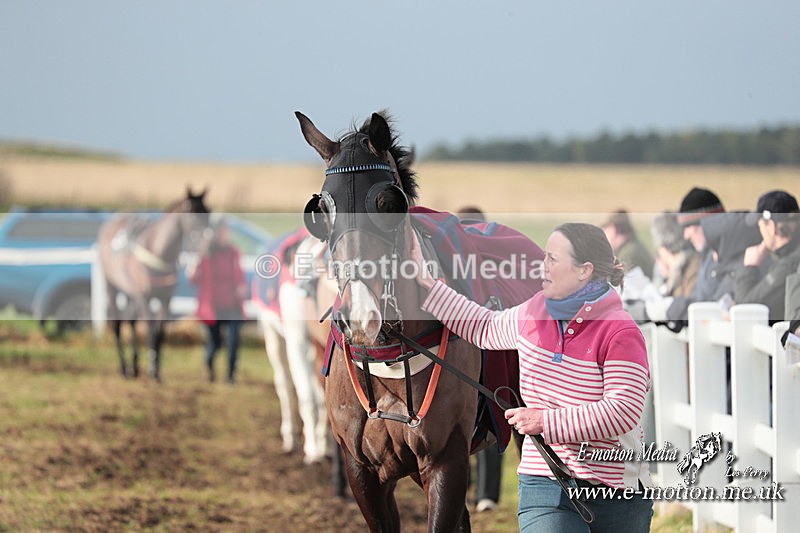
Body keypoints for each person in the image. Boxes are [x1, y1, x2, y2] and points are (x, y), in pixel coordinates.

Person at [411, 223, 653, 532]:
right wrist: (429, 285)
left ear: (584, 270)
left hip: (618, 491)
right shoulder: (534, 311)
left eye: (553, 259)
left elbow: (623, 412)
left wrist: (545, 422)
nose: (543, 266)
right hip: (545, 482)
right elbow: (485, 327)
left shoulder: (620, 331)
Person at [188, 218, 246, 383]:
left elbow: (239, 275)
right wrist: (197, 261)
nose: (225, 235)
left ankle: (231, 376)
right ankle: (209, 366)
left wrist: (241, 286)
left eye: (227, 232)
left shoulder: (234, 253)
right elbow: (194, 278)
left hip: (232, 304)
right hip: (213, 306)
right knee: (216, 343)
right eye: (222, 232)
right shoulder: (207, 256)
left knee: (234, 341)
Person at [735, 190, 800, 323]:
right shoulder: (787, 257)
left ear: (771, 226)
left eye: (760, 225)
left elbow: (746, 307)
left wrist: (749, 267)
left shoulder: (790, 265)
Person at [602, 209, 655, 278]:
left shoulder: (630, 253)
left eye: (604, 231)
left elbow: (614, 281)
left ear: (613, 230)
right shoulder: (631, 247)